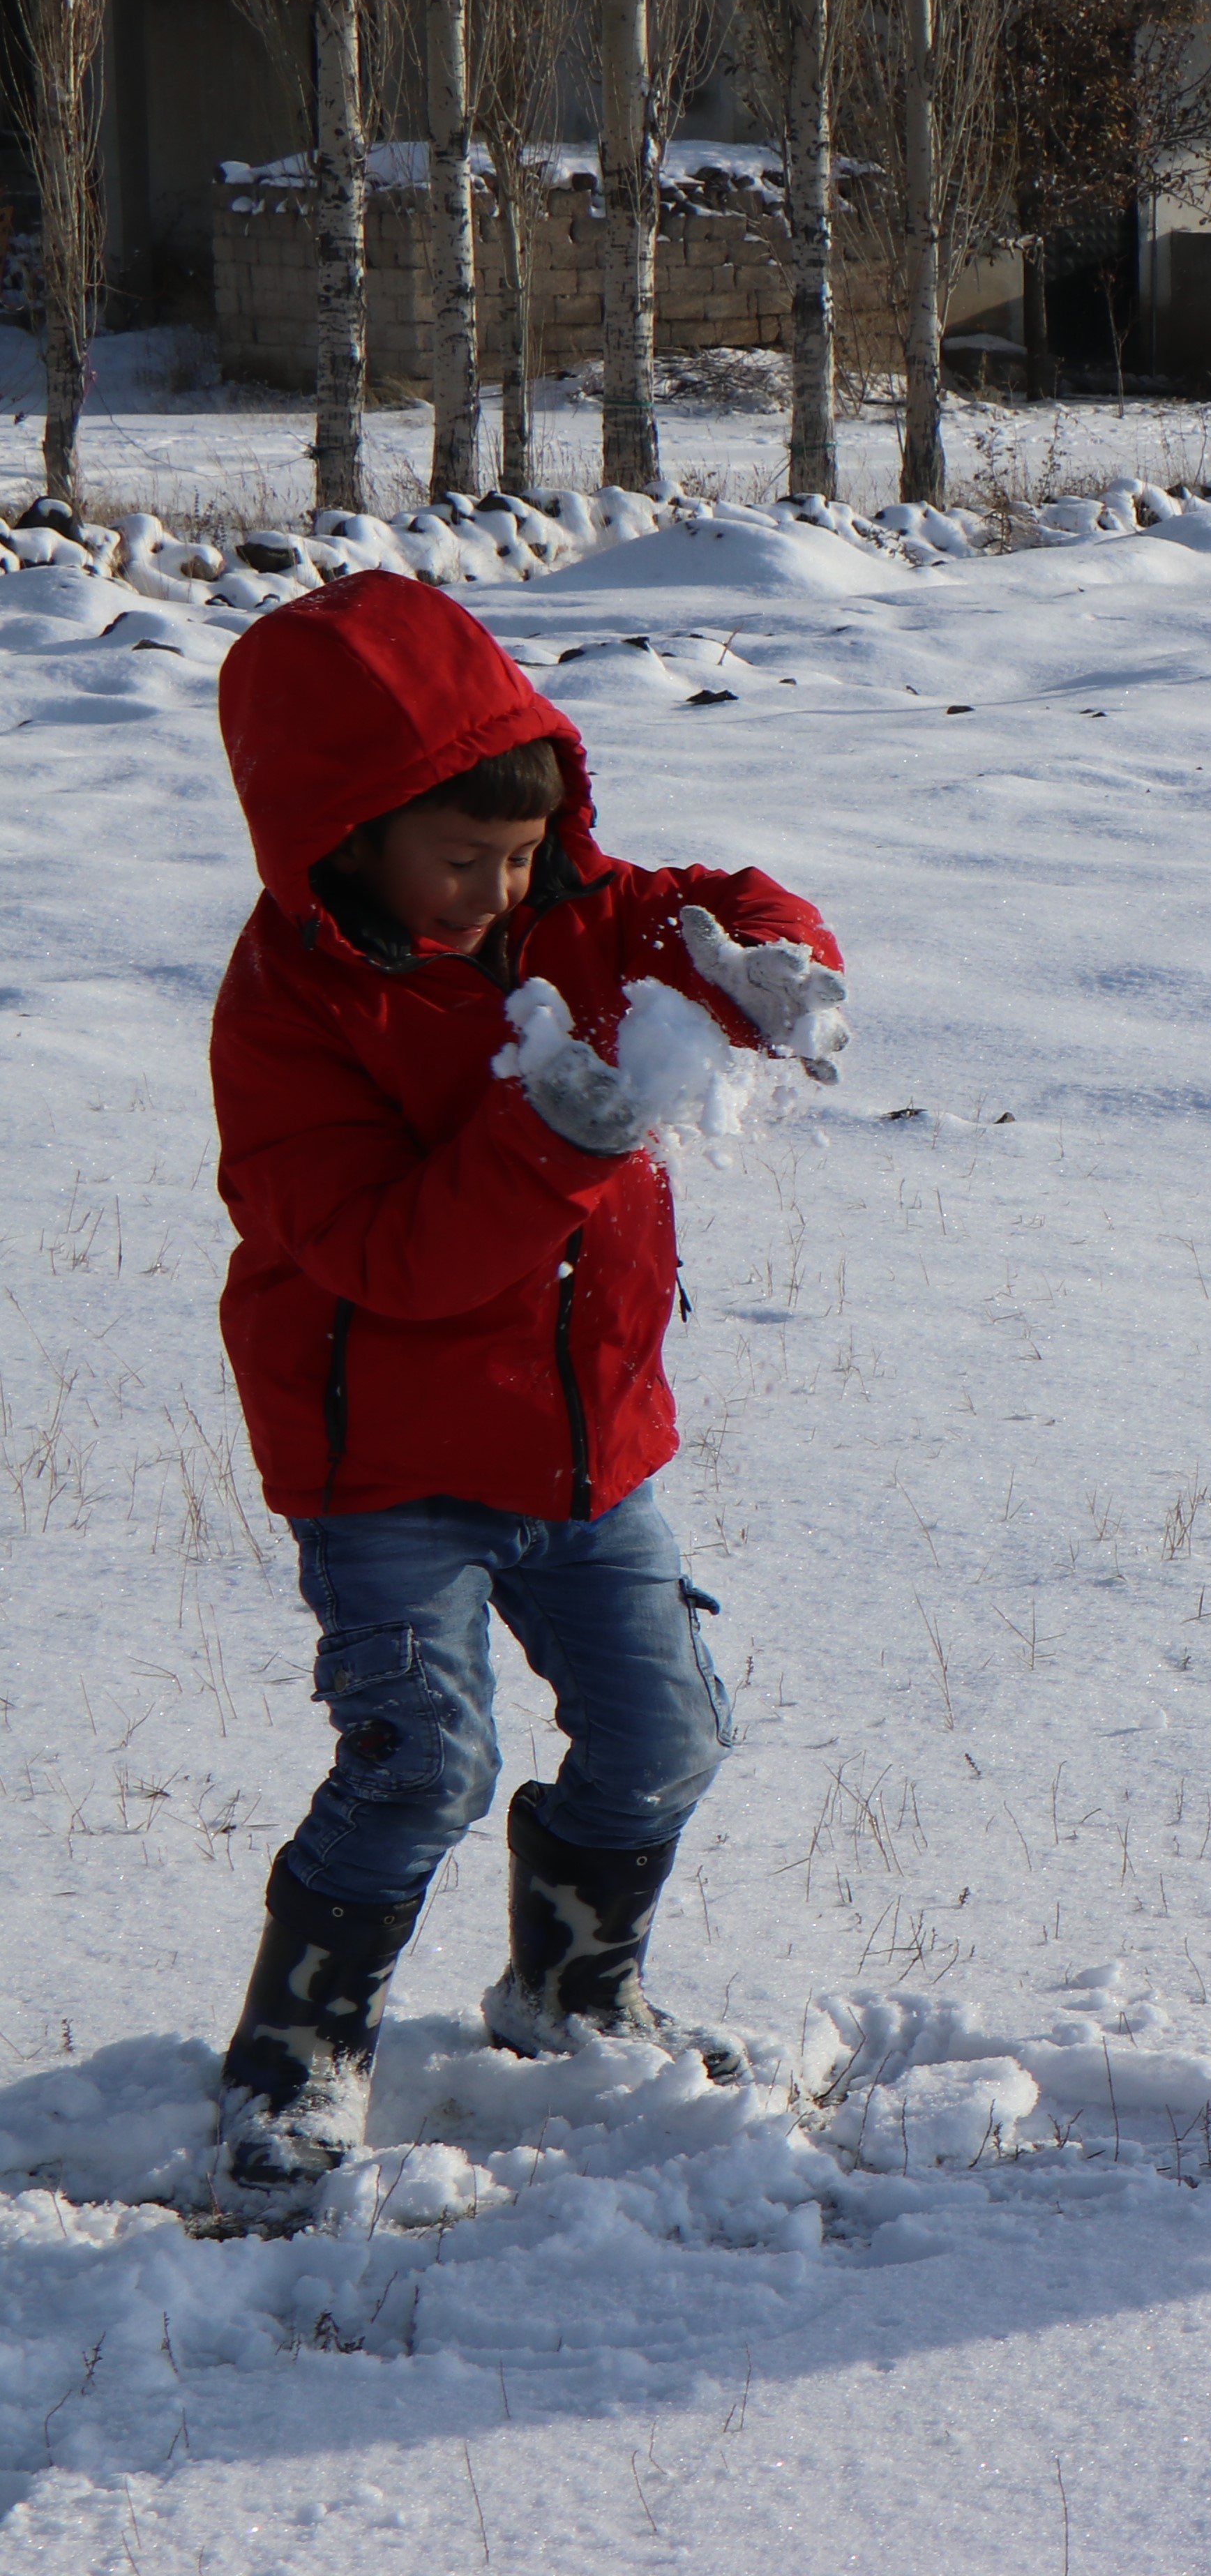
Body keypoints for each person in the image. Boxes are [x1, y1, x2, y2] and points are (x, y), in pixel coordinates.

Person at [202, 570, 852, 2200]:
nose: (500, 889)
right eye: (460, 859)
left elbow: (703, 899)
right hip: (387, 1469)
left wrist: (770, 955)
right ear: (345, 833)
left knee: (668, 1733)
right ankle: (300, 2047)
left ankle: (568, 1980)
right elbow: (386, 1253)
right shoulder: (293, 1008)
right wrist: (549, 1140)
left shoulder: (571, 898)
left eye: (522, 851)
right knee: (421, 1759)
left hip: (587, 1447)